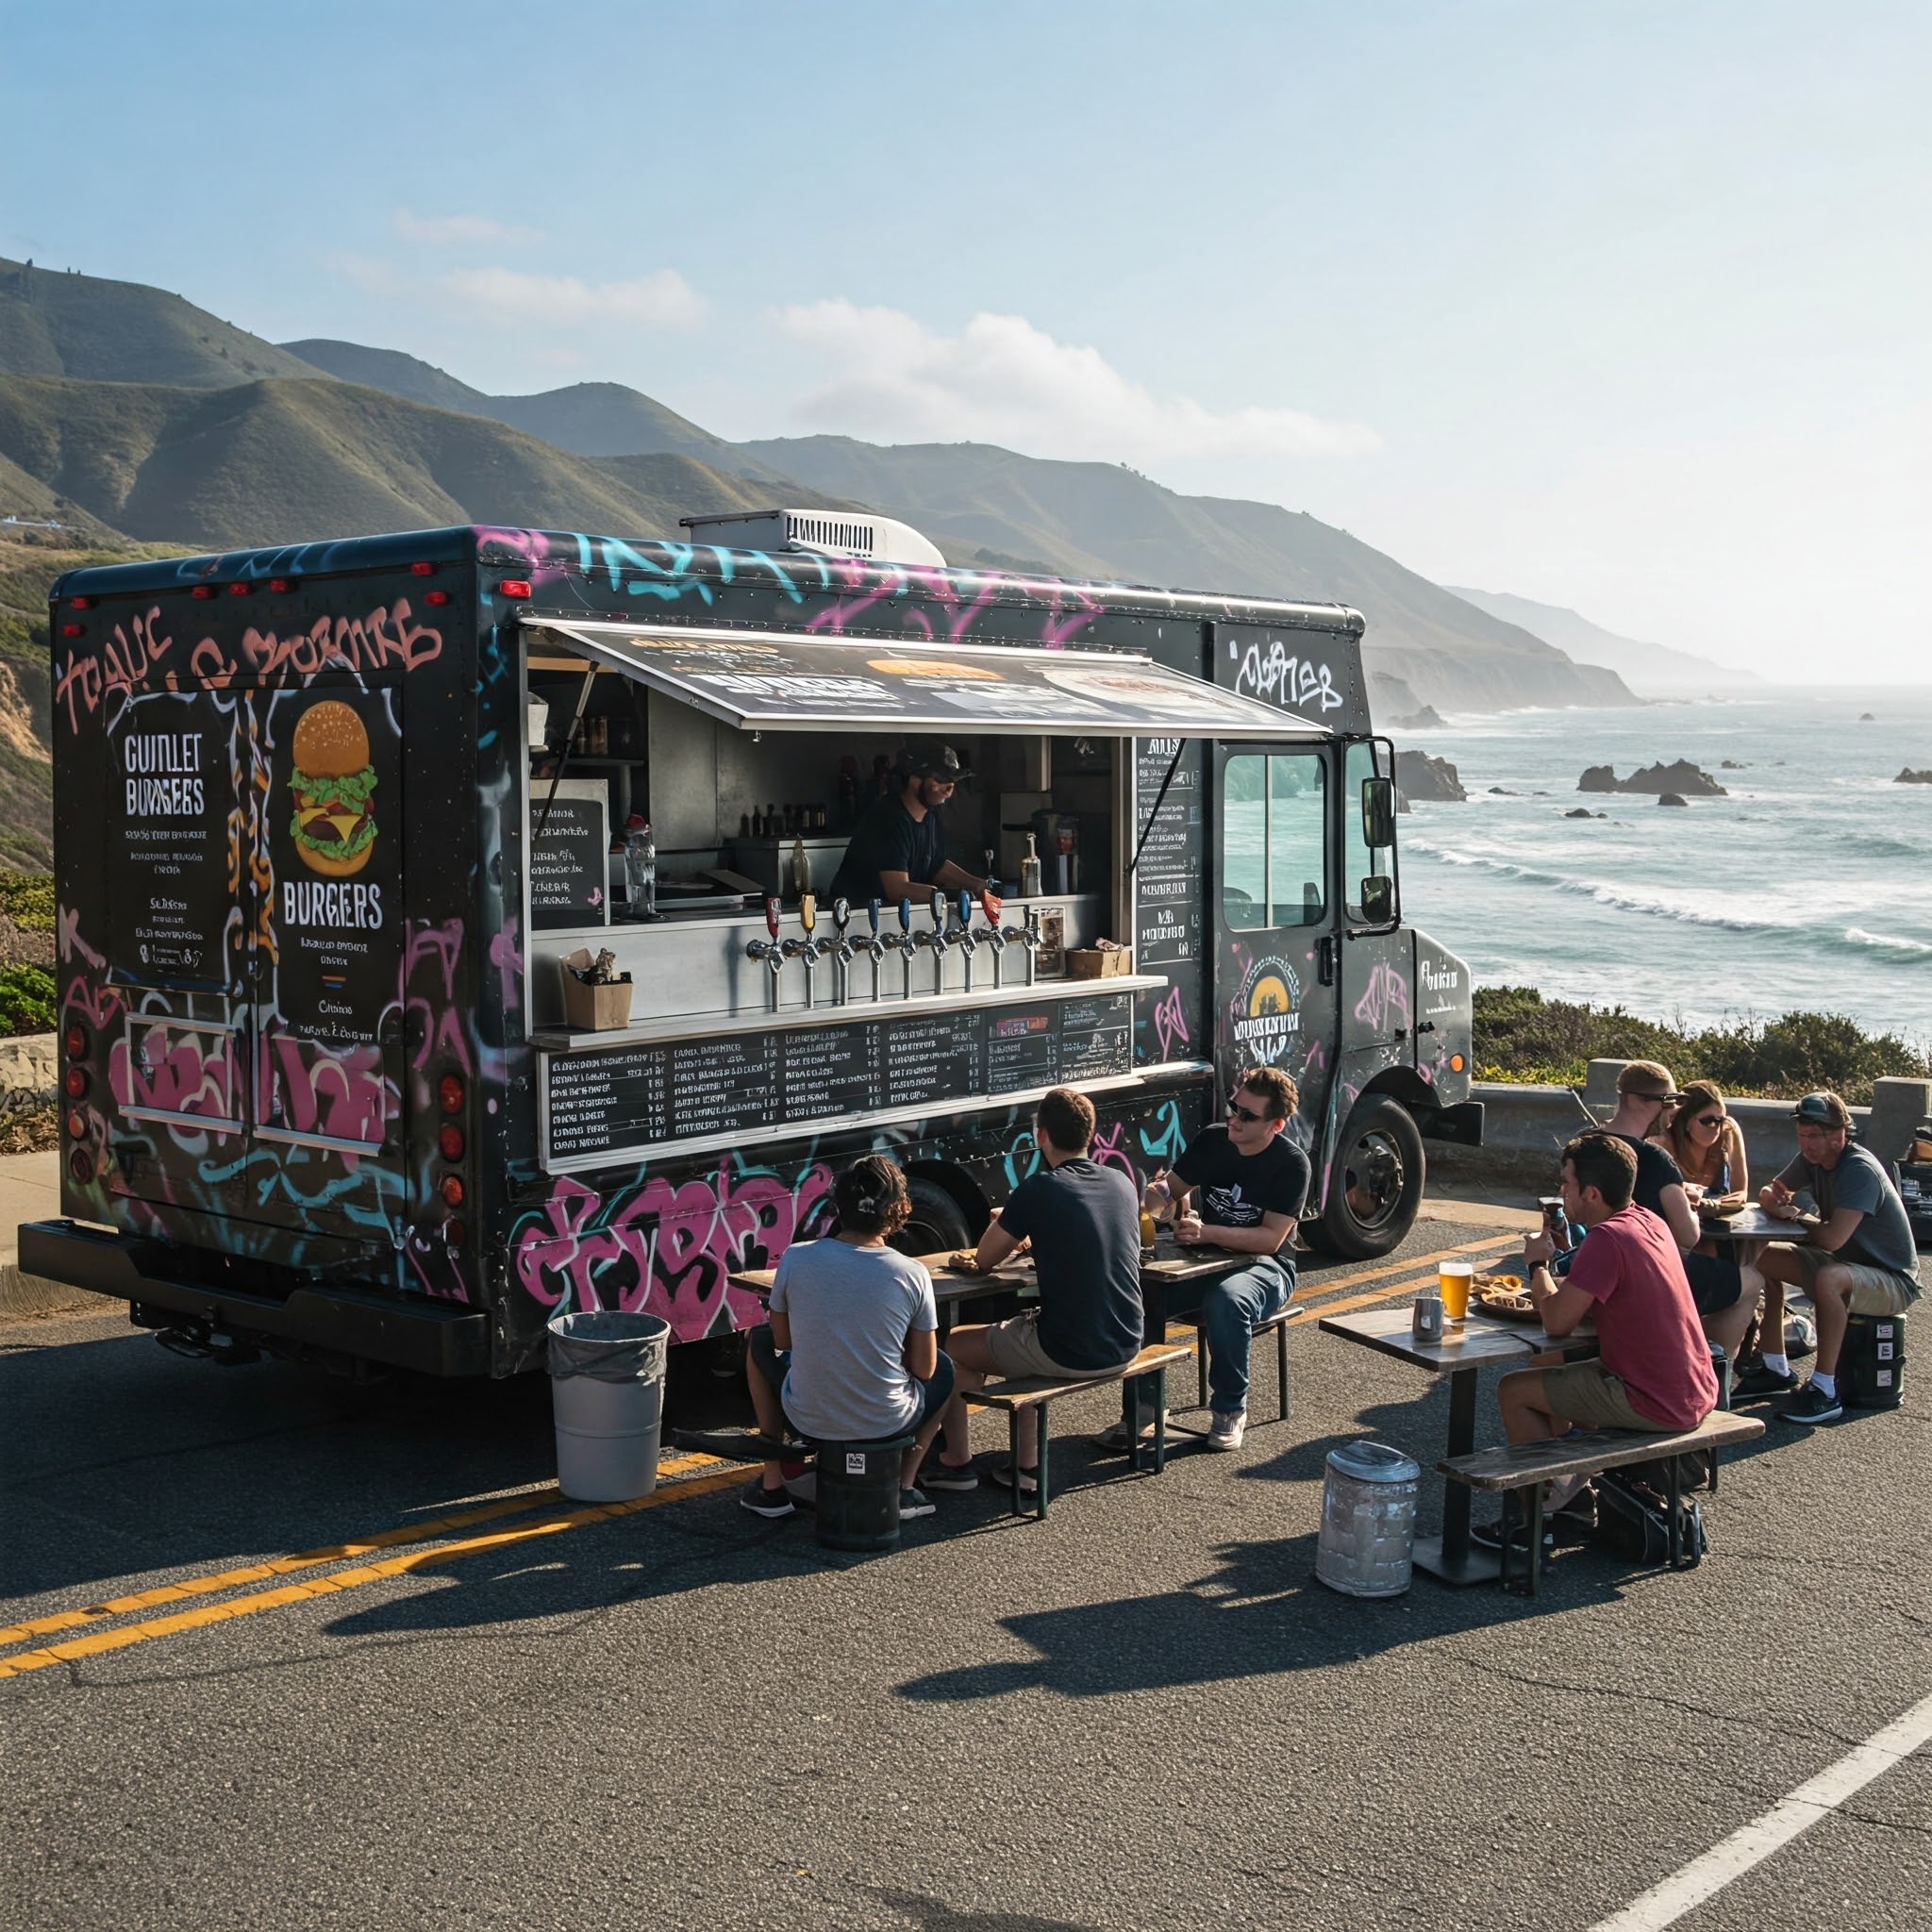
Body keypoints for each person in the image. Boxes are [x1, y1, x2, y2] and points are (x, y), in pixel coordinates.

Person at [1477, 1133, 1719, 1547]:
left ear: (1591, 1192)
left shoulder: (1607, 1239)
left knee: (1513, 1390)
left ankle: (1543, 1515)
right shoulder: (1647, 1220)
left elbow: (1556, 1321)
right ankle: (1565, 1492)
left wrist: (1538, 1264)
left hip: (1654, 1398)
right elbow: (1600, 1296)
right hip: (1693, 1388)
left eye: (1566, 1184)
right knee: (1550, 1368)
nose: (1561, 1192)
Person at [929, 1087, 1143, 1497]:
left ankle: (956, 1461)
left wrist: (1010, 1225)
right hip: (1126, 1340)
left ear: (1041, 1136)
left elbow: (987, 1258)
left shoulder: (1039, 1188)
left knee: (955, 1345)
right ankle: (1024, 1466)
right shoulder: (1121, 1181)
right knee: (1020, 1334)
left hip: (1071, 1349)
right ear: (1092, 1135)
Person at [741, 1156, 954, 1521]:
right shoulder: (912, 1273)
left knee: (756, 1341)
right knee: (947, 1369)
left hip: (806, 1416)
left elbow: (782, 1338)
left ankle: (773, 1484)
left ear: (838, 1205)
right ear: (901, 1209)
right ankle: (902, 1488)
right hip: (887, 1419)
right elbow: (924, 1367)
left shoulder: (795, 1258)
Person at [1142, 1064, 1310, 1451]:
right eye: (1234, 1108)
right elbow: (1169, 1192)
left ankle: (1230, 1409)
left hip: (1268, 1266)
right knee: (1146, 1292)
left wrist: (1208, 1232)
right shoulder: (1214, 1140)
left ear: (1276, 1125)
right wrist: (1162, 1202)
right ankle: (1144, 1411)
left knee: (1227, 1300)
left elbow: (1270, 1240)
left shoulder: (1292, 1163)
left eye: (1248, 1115)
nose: (1234, 1118)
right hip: (1207, 1257)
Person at [1742, 1091, 1923, 1424]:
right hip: (1846, 1264)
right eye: (1802, 1135)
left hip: (1892, 1280)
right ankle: (1773, 1365)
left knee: (1830, 1278)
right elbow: (1770, 1191)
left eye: (1815, 1135)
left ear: (1840, 1133)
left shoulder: (1858, 1170)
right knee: (1759, 1256)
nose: (1807, 1143)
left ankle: (1825, 1390)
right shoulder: (1812, 1160)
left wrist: (1795, 1214)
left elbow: (1831, 1237)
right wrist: (1776, 1201)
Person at [1650, 1079, 1765, 1369]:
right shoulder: (1663, 1145)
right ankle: (1694, 1353)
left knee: (1760, 1260)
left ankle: (1733, 1358)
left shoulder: (1728, 1132)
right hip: (1679, 1232)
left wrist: (1713, 1205)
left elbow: (1741, 1192)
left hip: (1718, 1226)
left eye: (1720, 1118)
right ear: (1686, 1121)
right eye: (1707, 1120)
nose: (1716, 1126)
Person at [827, 739, 987, 908]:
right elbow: (897, 889)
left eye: (952, 781)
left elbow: (935, 865)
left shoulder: (931, 814)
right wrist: (947, 896)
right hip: (855, 916)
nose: (949, 789)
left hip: (897, 917)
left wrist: (978, 885)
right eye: (940, 779)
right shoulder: (888, 818)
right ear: (915, 781)